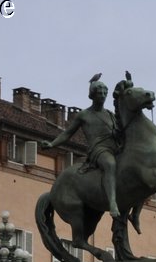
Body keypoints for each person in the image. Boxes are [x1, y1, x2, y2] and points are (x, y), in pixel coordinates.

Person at [46, 73, 123, 219]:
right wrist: (52, 144)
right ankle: (112, 202)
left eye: (104, 93)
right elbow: (67, 134)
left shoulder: (110, 114)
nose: (102, 95)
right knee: (110, 164)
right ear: (93, 95)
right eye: (99, 93)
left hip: (115, 147)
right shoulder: (84, 115)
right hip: (99, 149)